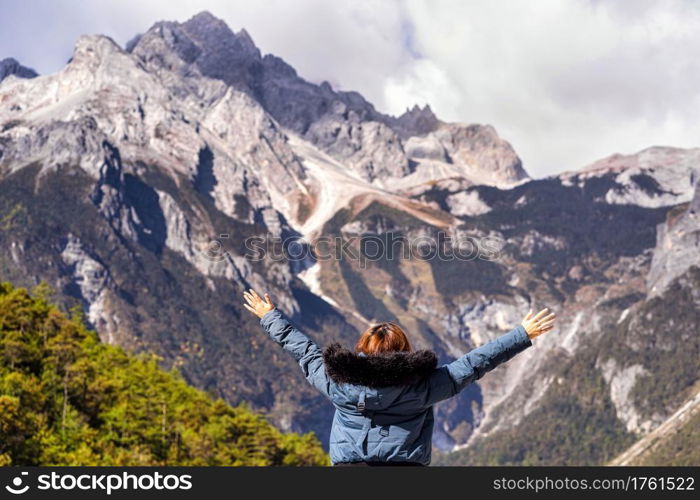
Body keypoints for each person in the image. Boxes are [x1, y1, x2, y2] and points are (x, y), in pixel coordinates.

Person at [243, 289, 555, 466]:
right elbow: (475, 363)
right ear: (404, 350)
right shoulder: (425, 387)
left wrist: (270, 316)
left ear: (362, 349)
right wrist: (521, 334)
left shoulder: (337, 382)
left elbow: (305, 352)